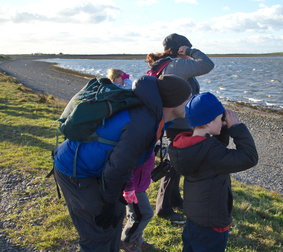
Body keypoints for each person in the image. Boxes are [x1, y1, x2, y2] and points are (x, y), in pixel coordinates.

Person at [54, 74, 192, 252]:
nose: (190, 102)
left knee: (116, 216)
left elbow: (125, 163)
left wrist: (113, 201)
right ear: (173, 101)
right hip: (74, 169)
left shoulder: (153, 115)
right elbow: (118, 167)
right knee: (98, 232)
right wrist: (108, 203)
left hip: (97, 170)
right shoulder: (143, 123)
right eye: (187, 98)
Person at [168, 92, 258, 251]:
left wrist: (220, 127)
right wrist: (236, 128)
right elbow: (249, 157)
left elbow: (215, 147)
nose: (222, 121)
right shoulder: (211, 152)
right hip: (212, 225)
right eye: (219, 118)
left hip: (194, 219)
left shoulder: (189, 145)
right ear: (209, 122)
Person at [147, 33, 214, 224]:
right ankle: (163, 209)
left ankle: (175, 200)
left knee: (177, 166)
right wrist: (191, 52)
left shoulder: (167, 64)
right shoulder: (175, 64)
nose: (190, 51)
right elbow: (207, 64)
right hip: (178, 123)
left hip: (176, 122)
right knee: (173, 166)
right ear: (180, 49)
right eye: (187, 47)